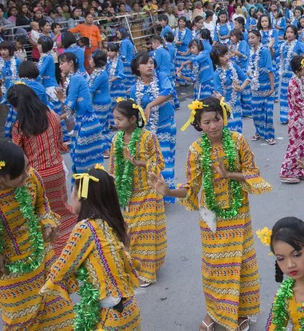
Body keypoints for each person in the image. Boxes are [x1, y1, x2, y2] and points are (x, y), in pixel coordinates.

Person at [150, 97, 272, 331]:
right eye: (206, 122)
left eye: (217, 119)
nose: (213, 126)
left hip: (239, 215)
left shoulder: (237, 141)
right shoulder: (196, 150)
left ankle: (241, 311)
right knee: (214, 266)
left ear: (223, 117)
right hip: (211, 217)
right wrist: (167, 191)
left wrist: (229, 175)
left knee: (241, 263)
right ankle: (215, 312)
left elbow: (252, 174)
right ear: (199, 124)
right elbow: (192, 188)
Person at [0, 141, 75, 329]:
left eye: (27, 166)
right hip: (10, 274)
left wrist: (47, 223)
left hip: (44, 260)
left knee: (61, 316)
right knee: (21, 325)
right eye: (20, 175)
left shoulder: (31, 176)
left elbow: (42, 205)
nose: (28, 175)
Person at [41, 166, 141, 330]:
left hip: (112, 316)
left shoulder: (85, 228)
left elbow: (61, 268)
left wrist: (40, 293)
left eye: (72, 192)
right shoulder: (112, 222)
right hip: (129, 310)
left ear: (81, 196)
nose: (70, 198)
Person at [7, 84, 75, 255]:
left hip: (35, 176)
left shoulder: (20, 126)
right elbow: (60, 144)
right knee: (61, 208)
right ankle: (70, 246)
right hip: (57, 171)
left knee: (42, 215)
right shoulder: (52, 115)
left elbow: (17, 155)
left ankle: (52, 253)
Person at [109, 99, 166, 287]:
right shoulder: (116, 139)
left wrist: (139, 163)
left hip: (148, 191)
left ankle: (147, 272)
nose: (115, 122)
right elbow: (113, 166)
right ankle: (135, 265)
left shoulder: (147, 137)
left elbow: (159, 162)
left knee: (146, 233)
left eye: (119, 119)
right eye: (114, 118)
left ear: (133, 119)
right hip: (127, 194)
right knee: (129, 232)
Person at [129, 52, 176, 200]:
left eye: (151, 62)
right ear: (137, 68)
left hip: (165, 125)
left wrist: (149, 105)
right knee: (154, 161)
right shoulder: (133, 90)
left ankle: (166, 192)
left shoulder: (161, 77)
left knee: (167, 159)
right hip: (147, 131)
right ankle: (157, 195)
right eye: (145, 63)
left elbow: (169, 92)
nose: (150, 65)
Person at [56, 52, 103, 173]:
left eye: (62, 63)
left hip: (87, 122)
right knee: (86, 161)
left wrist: (61, 100)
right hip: (84, 121)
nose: (60, 66)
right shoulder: (74, 78)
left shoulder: (76, 78)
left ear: (71, 63)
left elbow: (70, 107)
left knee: (82, 159)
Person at [280, 56, 304, 184]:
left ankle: (300, 170)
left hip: (301, 119)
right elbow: (298, 103)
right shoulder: (293, 83)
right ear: (298, 70)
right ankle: (285, 172)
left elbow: (303, 99)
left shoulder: (301, 80)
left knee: (303, 145)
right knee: (294, 146)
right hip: (295, 119)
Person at [211, 44, 249, 133]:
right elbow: (218, 91)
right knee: (228, 131)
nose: (226, 57)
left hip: (237, 104)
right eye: (222, 56)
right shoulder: (217, 74)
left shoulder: (234, 67)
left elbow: (246, 78)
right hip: (225, 107)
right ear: (216, 59)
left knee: (238, 128)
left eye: (227, 54)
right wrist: (219, 98)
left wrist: (241, 87)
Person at [277, 25, 304, 124]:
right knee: (284, 95)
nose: (289, 34)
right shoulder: (283, 45)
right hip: (284, 74)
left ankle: (293, 115)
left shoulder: (298, 44)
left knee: (294, 96)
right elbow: (275, 54)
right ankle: (284, 117)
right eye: (287, 32)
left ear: (295, 34)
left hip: (293, 75)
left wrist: (299, 59)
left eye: (291, 32)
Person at [247, 30, 276, 145]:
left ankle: (269, 135)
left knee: (267, 112)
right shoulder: (250, 52)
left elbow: (270, 69)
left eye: (253, 37)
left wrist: (272, 88)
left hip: (267, 85)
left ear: (259, 38)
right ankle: (258, 131)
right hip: (254, 87)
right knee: (256, 112)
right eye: (249, 38)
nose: (250, 40)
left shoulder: (264, 51)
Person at [88, 50, 111, 154]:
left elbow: (91, 88)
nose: (89, 61)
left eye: (91, 59)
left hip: (100, 103)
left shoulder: (101, 74)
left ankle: (105, 149)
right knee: (103, 125)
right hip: (101, 101)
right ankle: (108, 146)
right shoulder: (98, 72)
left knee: (99, 126)